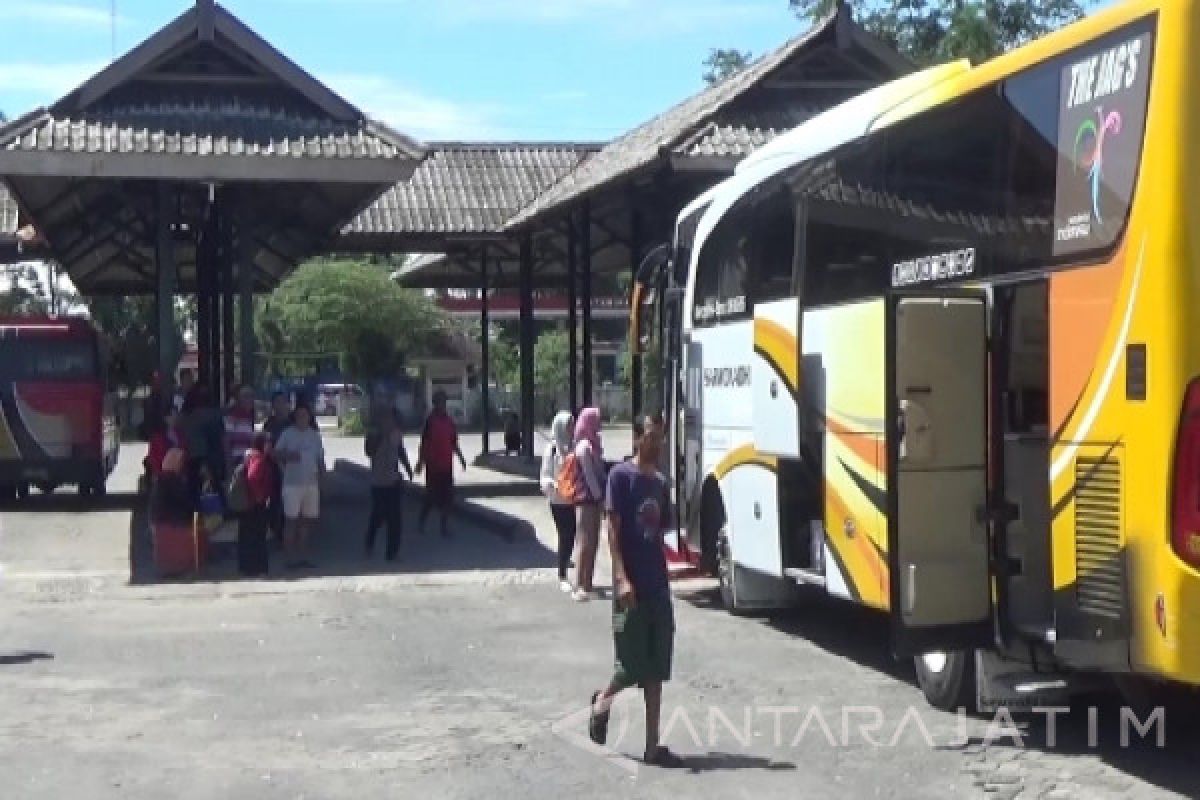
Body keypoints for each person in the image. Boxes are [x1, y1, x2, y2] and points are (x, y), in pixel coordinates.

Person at [587, 414, 684, 769]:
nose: (657, 445)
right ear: (637, 439)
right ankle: (601, 703)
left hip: (657, 584)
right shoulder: (620, 478)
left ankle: (652, 746)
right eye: (651, 437)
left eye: (661, 438)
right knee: (629, 666)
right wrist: (620, 577)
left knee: (657, 666)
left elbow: (664, 530)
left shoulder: (660, 483)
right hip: (631, 585)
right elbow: (612, 530)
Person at [273, 403, 326, 569]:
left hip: (311, 484)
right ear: (295, 418)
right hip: (292, 484)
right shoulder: (287, 434)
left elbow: (320, 458)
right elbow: (275, 453)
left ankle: (303, 557)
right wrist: (288, 455)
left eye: (305, 415)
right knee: (291, 522)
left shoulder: (315, 436)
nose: (302, 418)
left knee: (306, 522)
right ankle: (289, 559)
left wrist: (323, 479)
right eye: (299, 415)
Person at [365, 406, 414, 561]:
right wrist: (380, 436)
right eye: (385, 419)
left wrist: (408, 468)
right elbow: (369, 452)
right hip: (378, 482)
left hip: (393, 481)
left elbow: (401, 451)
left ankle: (392, 552)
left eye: (391, 419)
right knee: (378, 516)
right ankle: (369, 540)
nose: (388, 422)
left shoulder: (397, 434)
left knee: (395, 519)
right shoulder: (373, 435)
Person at [416, 390, 467, 538]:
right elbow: (424, 443)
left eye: (443, 401)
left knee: (448, 498)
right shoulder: (429, 421)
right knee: (431, 498)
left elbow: (453, 442)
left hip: (446, 465)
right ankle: (421, 521)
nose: (442, 404)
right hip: (433, 465)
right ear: (435, 403)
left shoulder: (449, 421)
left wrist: (461, 458)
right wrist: (420, 462)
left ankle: (444, 527)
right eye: (439, 401)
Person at [571, 406, 607, 601]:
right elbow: (589, 475)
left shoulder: (594, 444)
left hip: (595, 498)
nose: (600, 424)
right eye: (596, 420)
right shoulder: (584, 446)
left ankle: (588, 581)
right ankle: (579, 583)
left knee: (593, 541)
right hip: (586, 498)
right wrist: (599, 495)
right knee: (584, 541)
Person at [540, 410, 577, 593]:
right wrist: (555, 485)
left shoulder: (574, 446)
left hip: (572, 499)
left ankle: (565, 570)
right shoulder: (552, 449)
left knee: (572, 535)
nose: (572, 428)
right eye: (569, 425)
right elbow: (544, 475)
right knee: (565, 534)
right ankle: (562, 574)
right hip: (557, 500)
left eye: (573, 424)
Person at [237, 433, 275, 577]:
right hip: (256, 504)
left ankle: (246, 568)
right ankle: (259, 569)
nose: (270, 446)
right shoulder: (259, 458)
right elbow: (252, 477)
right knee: (258, 537)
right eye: (267, 443)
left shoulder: (250, 456)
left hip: (247, 503)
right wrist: (260, 496)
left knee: (246, 536)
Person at [262, 391, 293, 542]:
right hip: (274, 468)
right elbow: (266, 447)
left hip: (292, 467)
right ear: (273, 406)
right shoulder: (269, 424)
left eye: (283, 402)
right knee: (275, 501)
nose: (281, 406)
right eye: (277, 402)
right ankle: (277, 532)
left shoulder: (293, 423)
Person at [224, 384, 257, 468]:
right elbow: (226, 441)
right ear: (238, 398)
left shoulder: (251, 416)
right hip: (235, 462)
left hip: (248, 462)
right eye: (245, 396)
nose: (249, 399)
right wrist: (229, 467)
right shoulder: (231, 416)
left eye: (251, 395)